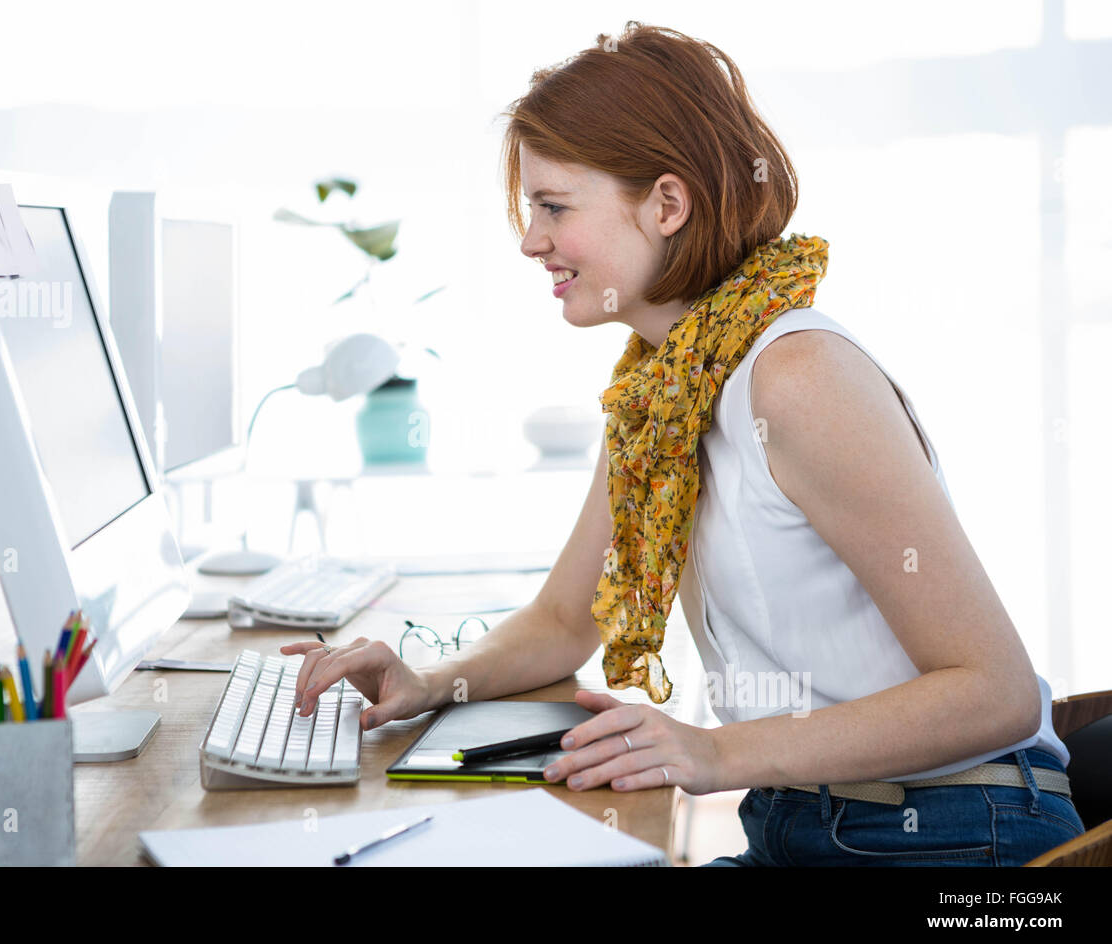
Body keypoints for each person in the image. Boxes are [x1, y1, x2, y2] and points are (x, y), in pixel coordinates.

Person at [281, 22, 1082, 866]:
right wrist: (427, 682)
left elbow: (992, 694)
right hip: (805, 828)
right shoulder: (663, 388)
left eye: (554, 206)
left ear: (667, 204)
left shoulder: (797, 375)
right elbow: (564, 620)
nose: (529, 241)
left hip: (960, 835)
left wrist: (714, 750)